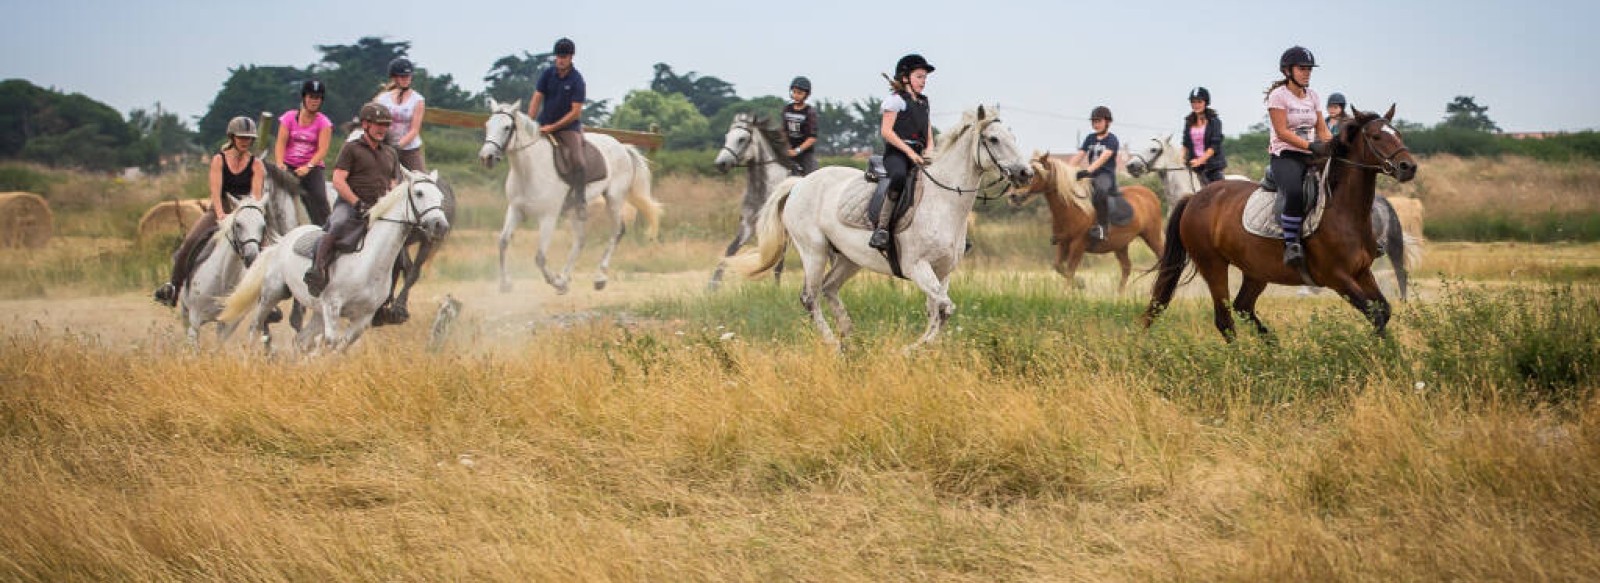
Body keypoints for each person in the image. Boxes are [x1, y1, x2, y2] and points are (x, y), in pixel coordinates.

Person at [154, 116, 265, 306]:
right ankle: (173, 288)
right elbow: (215, 191)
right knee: (188, 243)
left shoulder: (256, 165)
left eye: (249, 138)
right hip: (218, 210)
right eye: (241, 138)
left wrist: (249, 216)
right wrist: (221, 215)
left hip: (245, 214)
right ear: (232, 137)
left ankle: (265, 301)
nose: (245, 141)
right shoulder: (218, 160)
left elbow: (255, 197)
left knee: (265, 251)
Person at [305, 103, 400, 296]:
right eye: (378, 124)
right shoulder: (351, 149)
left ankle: (388, 296)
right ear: (365, 124)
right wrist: (357, 203)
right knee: (338, 223)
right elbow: (338, 181)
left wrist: (388, 202)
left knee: (398, 241)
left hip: (378, 208)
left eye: (386, 125)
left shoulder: (391, 153)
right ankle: (317, 269)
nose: (382, 129)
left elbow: (393, 183)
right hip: (350, 205)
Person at [1265, 45, 1333, 268]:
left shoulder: (1313, 95)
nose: (1307, 72)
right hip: (1285, 155)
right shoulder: (1278, 96)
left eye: (1309, 69)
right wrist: (1310, 145)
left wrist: (1334, 146)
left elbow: (1322, 128)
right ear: (1287, 71)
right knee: (1294, 191)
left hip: (1311, 153)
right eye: (1302, 68)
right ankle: (1291, 244)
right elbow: (1282, 131)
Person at [868, 53, 934, 251]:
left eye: (925, 78)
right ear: (906, 78)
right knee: (898, 176)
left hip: (919, 153)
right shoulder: (895, 101)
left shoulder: (923, 102)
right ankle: (882, 228)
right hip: (897, 153)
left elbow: (929, 134)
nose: (923, 82)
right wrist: (909, 152)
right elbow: (886, 132)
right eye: (919, 77)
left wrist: (930, 151)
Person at [527, 37, 588, 218]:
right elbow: (537, 98)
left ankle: (580, 201)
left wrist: (553, 127)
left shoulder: (577, 80)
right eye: (558, 56)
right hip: (544, 124)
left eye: (564, 56)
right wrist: (530, 122)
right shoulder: (547, 74)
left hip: (568, 128)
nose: (560, 60)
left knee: (578, 161)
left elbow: (575, 112)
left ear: (571, 57)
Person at [273, 79, 334, 226]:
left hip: (312, 166)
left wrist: (308, 167)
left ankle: (326, 229)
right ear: (304, 98)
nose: (314, 101)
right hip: (288, 164)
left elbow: (322, 149)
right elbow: (280, 142)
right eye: (311, 97)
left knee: (319, 197)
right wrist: (280, 163)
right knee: (270, 192)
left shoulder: (324, 123)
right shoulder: (288, 117)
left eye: (318, 98)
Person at [1067, 106, 1121, 242]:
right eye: (1094, 122)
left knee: (1100, 193)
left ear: (1107, 122)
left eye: (1099, 121)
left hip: (1105, 176)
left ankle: (1103, 229)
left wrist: (1087, 171)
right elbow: (1080, 155)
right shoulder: (1090, 138)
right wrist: (1067, 170)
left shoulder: (1112, 140)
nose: (1095, 124)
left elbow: (1103, 158)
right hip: (1090, 175)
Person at [376, 57, 426, 172]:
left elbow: (414, 130)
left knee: (421, 181)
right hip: (385, 147)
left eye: (408, 76)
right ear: (394, 78)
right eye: (402, 76)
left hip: (410, 149)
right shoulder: (383, 99)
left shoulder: (418, 100)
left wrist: (397, 146)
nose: (406, 79)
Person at [1182, 87, 1227, 186]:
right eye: (1193, 102)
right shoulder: (1188, 122)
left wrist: (1200, 160)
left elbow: (1214, 146)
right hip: (1193, 166)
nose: (1196, 105)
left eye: (1199, 102)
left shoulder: (1215, 122)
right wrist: (1181, 160)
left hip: (1212, 167)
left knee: (1218, 191)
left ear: (1205, 102)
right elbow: (1185, 144)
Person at [781, 76, 820, 176]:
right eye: (794, 92)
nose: (796, 95)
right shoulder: (787, 109)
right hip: (788, 150)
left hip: (805, 153)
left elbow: (812, 138)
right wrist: (787, 148)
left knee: (811, 178)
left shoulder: (810, 112)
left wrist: (797, 151)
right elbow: (784, 131)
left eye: (799, 93)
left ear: (806, 95)